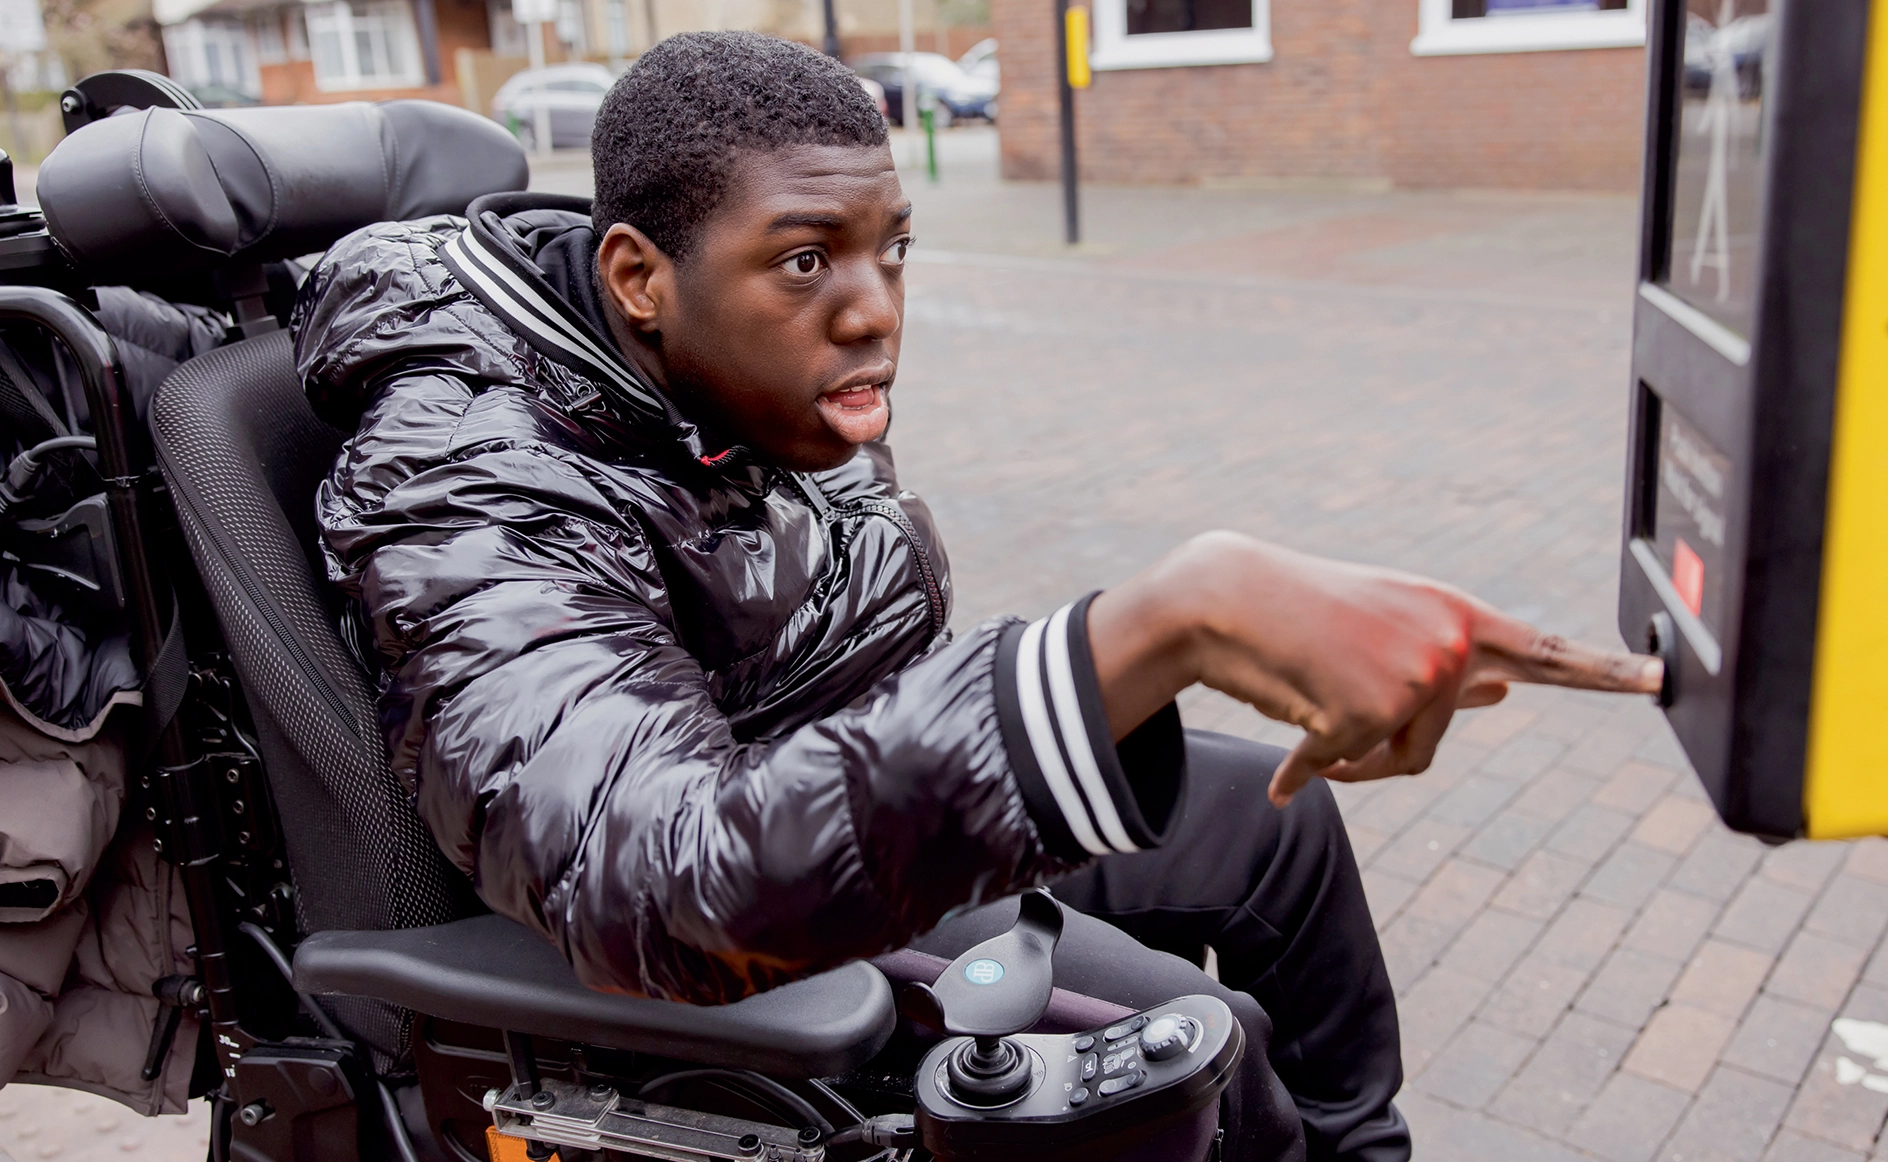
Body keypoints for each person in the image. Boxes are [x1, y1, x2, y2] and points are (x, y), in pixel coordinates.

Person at [294, 31, 1660, 1162]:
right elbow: (661, 875)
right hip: (745, 920)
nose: (876, 305)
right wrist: (1161, 621)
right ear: (639, 278)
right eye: (807, 258)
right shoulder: (471, 476)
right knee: (1194, 1040)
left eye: (894, 247)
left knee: (1276, 838)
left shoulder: (728, 371)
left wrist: (1107, 665)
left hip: (835, 790)